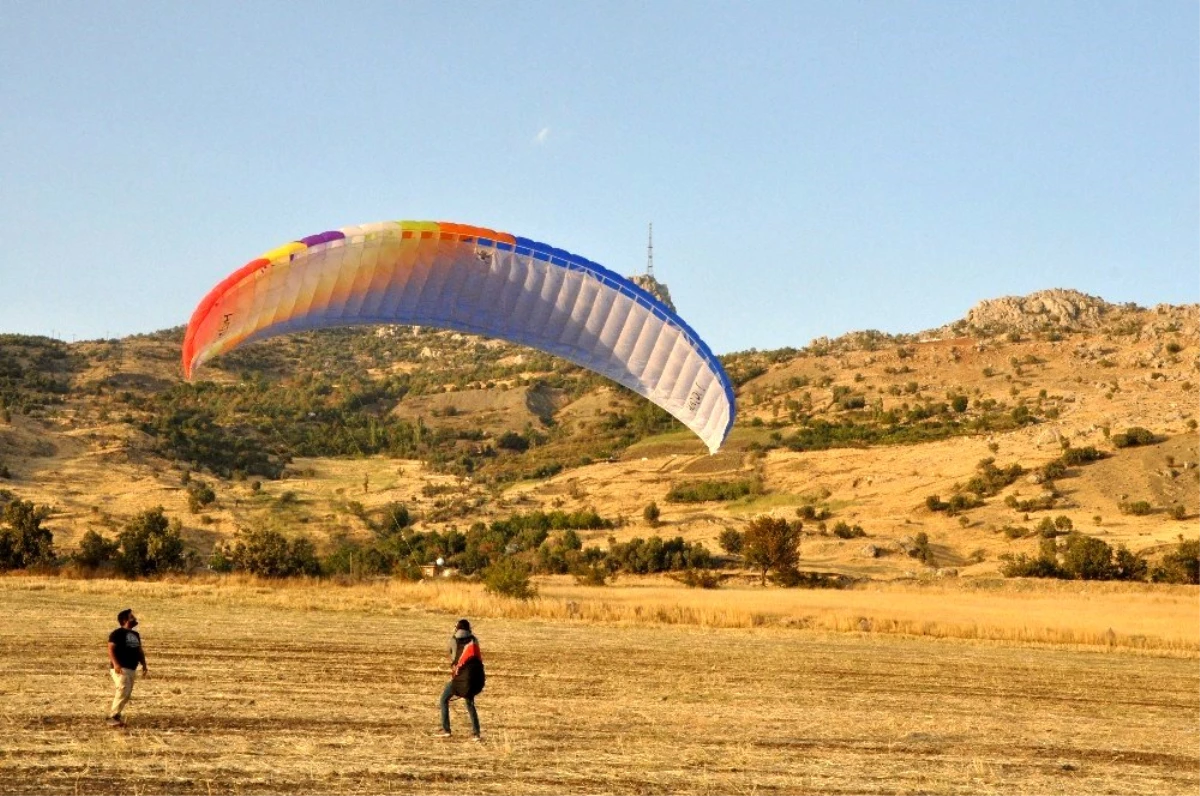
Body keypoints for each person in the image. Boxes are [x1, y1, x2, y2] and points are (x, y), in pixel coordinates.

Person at [436, 618, 485, 740]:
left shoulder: (454, 640)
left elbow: (452, 655)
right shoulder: (474, 640)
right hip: (473, 678)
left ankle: (446, 729)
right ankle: (476, 733)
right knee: (469, 703)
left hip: (459, 679)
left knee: (443, 699)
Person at [106, 608, 148, 727]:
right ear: (125, 620)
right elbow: (110, 648)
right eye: (131, 616)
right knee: (123, 689)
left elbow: (139, 650)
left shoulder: (135, 634)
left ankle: (116, 715)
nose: (134, 618)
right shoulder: (117, 633)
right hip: (121, 667)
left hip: (131, 668)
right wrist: (116, 664)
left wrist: (144, 664)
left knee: (127, 693)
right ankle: (112, 717)